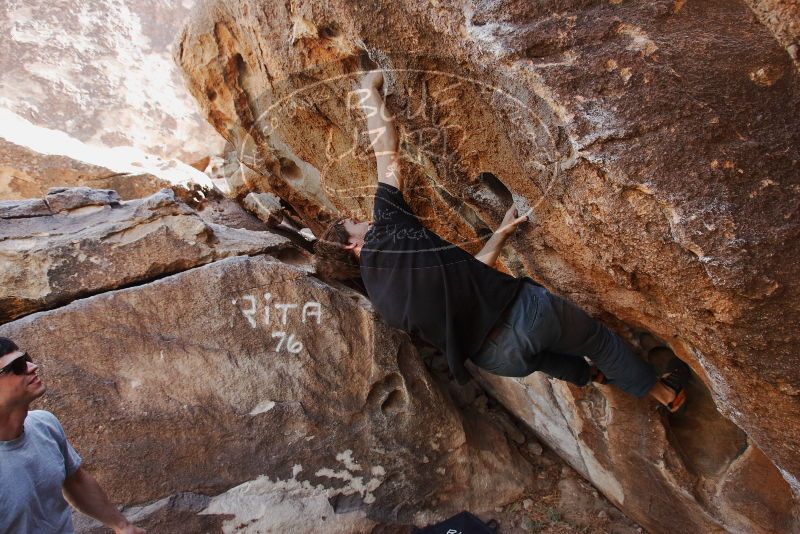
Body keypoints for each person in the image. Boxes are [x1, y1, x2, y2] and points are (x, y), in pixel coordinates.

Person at [314, 70, 689, 413]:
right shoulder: (387, 229)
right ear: (351, 245)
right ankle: (667, 395)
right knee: (598, 343)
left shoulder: (387, 305)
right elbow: (386, 153)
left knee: (541, 357)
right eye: (354, 223)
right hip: (527, 315)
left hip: (499, 360)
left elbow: (468, 282)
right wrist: (368, 91)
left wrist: (499, 235)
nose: (362, 218)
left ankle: (594, 377)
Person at [0, 337, 146, 534]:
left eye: (26, 358)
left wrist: (123, 526)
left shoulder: (44, 425)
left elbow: (75, 481)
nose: (32, 366)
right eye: (17, 366)